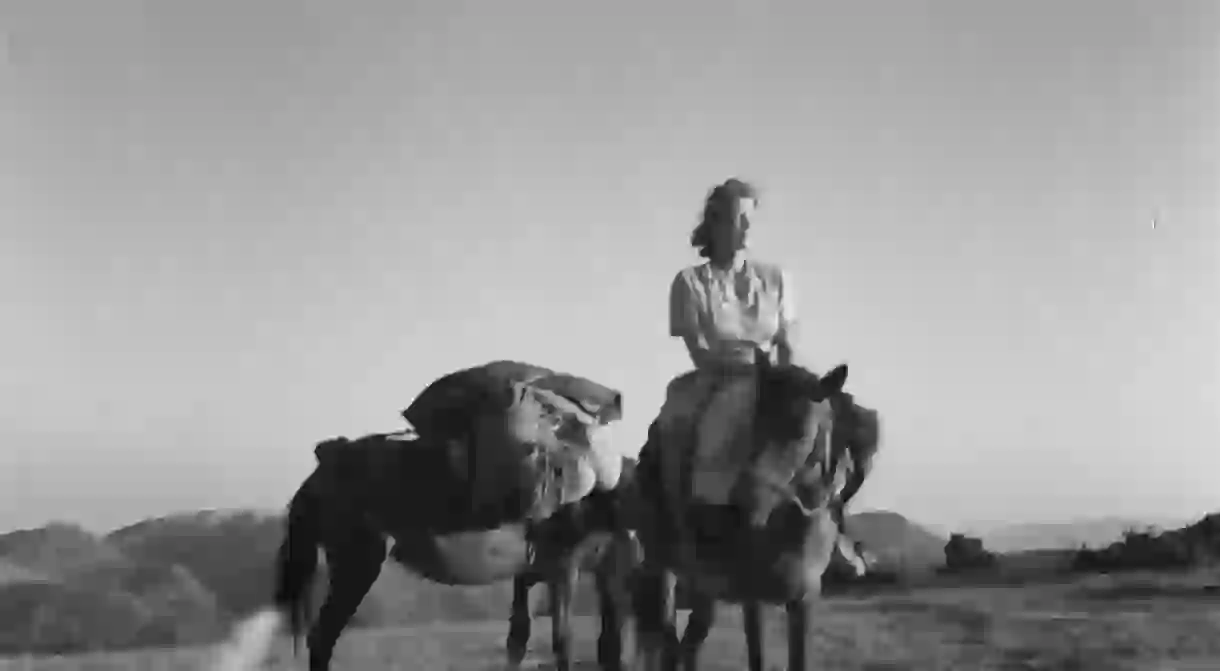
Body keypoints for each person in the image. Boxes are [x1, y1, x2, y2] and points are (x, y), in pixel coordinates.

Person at [650, 177, 805, 563]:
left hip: (771, 378)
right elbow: (699, 352)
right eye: (739, 219)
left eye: (751, 219)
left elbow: (787, 342)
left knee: (819, 424)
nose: (748, 228)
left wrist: (782, 379)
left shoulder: (777, 279)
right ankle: (682, 527)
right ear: (716, 225)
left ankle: (827, 523)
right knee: (675, 428)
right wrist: (743, 366)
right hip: (715, 377)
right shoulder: (690, 282)